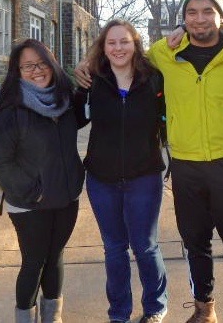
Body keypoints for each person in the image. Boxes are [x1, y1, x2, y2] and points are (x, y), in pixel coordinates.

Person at [77, 0, 223, 323]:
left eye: (208, 11)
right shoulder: (165, 54)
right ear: (184, 17)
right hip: (185, 167)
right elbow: (124, 54)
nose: (199, 18)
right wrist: (88, 66)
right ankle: (204, 310)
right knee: (196, 245)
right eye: (191, 13)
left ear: (221, 15)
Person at [0, 39, 86, 323]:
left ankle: (52, 317)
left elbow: (89, 105)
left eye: (41, 64)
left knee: (55, 257)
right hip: (30, 203)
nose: (37, 70)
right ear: (17, 71)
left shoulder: (64, 102)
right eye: (28, 66)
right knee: (34, 261)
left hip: (66, 198)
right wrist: (32, 192)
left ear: (51, 65)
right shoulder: (10, 110)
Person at [76, 19, 168, 323]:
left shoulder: (154, 79)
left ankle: (155, 308)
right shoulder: (93, 80)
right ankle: (119, 314)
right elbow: (76, 119)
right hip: (102, 179)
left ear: (135, 44)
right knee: (114, 249)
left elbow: (168, 121)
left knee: (145, 246)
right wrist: (79, 87)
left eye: (124, 41)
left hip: (145, 176)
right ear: (103, 47)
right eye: (111, 42)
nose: (118, 48)